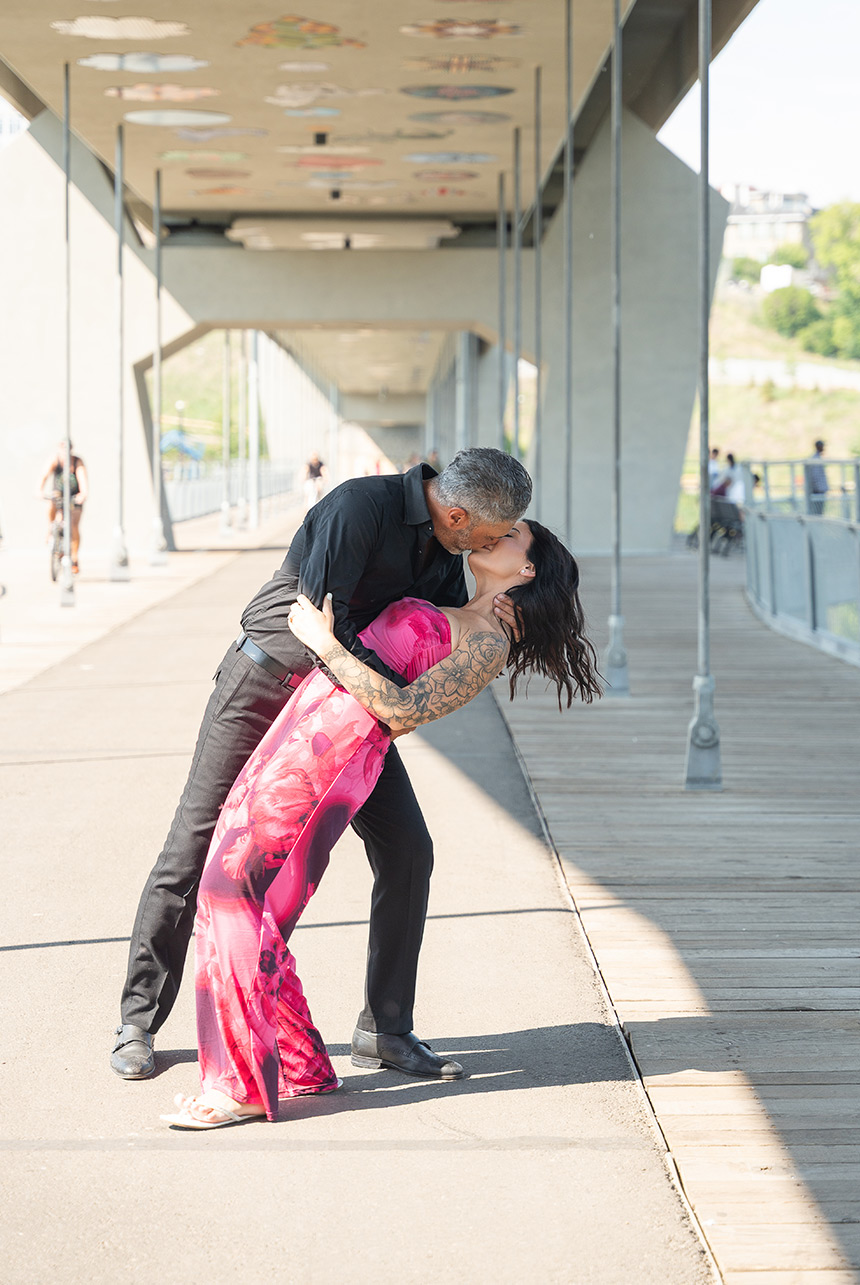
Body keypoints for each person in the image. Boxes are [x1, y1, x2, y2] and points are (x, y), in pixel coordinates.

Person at [161, 519, 602, 1128]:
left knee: (230, 891)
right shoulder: (456, 603)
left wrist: (326, 643)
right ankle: (301, 1063)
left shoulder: (489, 640)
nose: (496, 534)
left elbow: (401, 710)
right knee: (251, 901)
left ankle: (238, 1086)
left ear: (527, 570)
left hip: (330, 756)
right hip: (305, 732)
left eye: (512, 536)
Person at [112, 449, 532, 1083]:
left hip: (342, 714)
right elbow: (324, 622)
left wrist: (484, 612)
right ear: (456, 512)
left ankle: (385, 1030)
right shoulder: (360, 507)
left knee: (408, 849)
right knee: (194, 846)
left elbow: (417, 634)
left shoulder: (451, 553)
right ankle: (138, 1020)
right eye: (493, 532)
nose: (497, 541)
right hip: (267, 685)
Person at [37, 442, 88, 574]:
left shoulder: (77, 462)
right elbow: (44, 475)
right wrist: (39, 490)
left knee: (74, 525)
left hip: (73, 496)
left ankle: (74, 559)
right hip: (58, 494)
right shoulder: (55, 460)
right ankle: (51, 531)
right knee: (52, 505)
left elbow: (83, 481)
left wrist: (82, 494)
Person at [806, 440, 827, 515]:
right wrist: (819, 488)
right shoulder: (816, 459)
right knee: (817, 512)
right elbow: (815, 475)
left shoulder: (816, 458)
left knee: (818, 511)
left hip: (818, 489)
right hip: (818, 490)